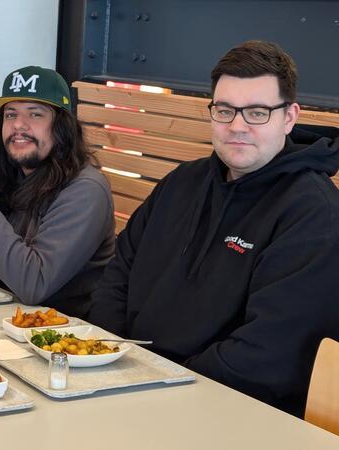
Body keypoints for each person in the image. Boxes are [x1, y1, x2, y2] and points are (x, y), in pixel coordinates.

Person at [86, 40, 339, 418]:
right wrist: (109, 358)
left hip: (232, 412)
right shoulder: (182, 183)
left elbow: (268, 354)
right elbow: (117, 275)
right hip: (129, 384)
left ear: (289, 117)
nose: (237, 126)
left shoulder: (314, 213)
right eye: (224, 110)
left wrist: (159, 389)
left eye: (256, 112)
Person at [0, 66, 115, 315]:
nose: (19, 125)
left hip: (56, 336)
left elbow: (34, 285)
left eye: (35, 115)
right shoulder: (5, 172)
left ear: (62, 127)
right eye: (10, 114)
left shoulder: (85, 191)